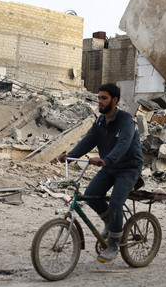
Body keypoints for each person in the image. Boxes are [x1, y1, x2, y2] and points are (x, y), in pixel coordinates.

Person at [58, 83, 144, 263]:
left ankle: (113, 245)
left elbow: (123, 144)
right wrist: (70, 156)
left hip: (128, 168)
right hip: (109, 166)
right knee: (91, 195)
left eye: (104, 98)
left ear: (115, 100)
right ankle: (110, 223)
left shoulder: (126, 121)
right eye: (98, 98)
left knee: (115, 202)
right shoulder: (99, 122)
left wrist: (106, 160)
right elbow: (88, 141)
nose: (100, 101)